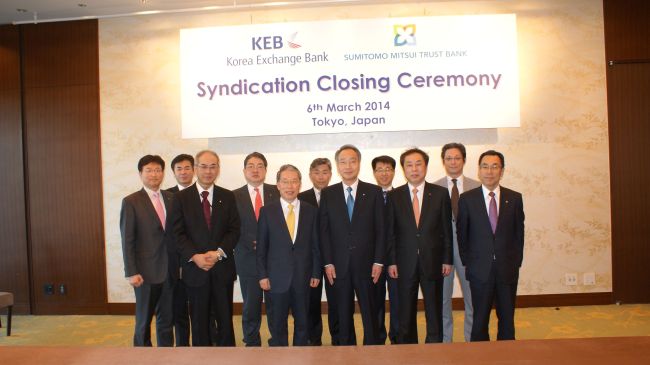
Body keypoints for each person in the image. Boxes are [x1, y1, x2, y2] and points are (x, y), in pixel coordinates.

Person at [172, 150, 240, 346]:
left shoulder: (228, 196)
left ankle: (228, 357)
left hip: (222, 268)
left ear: (218, 169)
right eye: (203, 166)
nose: (208, 171)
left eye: (213, 166)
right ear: (195, 168)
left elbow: (235, 230)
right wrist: (195, 256)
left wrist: (218, 253)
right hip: (196, 270)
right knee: (199, 321)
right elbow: (176, 233)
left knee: (225, 320)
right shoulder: (181, 198)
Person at [320, 144, 385, 346]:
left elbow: (381, 229)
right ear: (337, 166)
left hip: (367, 265)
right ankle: (345, 354)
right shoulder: (328, 193)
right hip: (338, 266)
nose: (348, 166)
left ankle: (372, 353)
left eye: (352, 161)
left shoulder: (373, 191)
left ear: (359, 163)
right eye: (343, 162)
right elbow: (324, 232)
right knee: (343, 314)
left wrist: (379, 261)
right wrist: (328, 262)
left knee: (370, 313)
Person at [457, 150, 525, 341]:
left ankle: (506, 354)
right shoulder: (467, 199)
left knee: (506, 318)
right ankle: (479, 357)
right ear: (479, 170)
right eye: (485, 166)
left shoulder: (514, 198)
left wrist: (515, 261)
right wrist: (468, 263)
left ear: (501, 171)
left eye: (495, 166)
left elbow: (519, 233)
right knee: (479, 319)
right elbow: (462, 234)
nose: (489, 171)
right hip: (479, 269)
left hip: (507, 268)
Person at [386, 148, 453, 344]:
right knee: (405, 310)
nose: (414, 169)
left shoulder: (440, 194)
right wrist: (391, 262)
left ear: (426, 166)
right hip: (404, 262)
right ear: (403, 168)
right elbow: (390, 233)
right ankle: (409, 348)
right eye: (409, 165)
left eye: (418, 164)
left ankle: (435, 346)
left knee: (434, 309)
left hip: (433, 260)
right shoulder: (394, 196)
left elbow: (446, 229)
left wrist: (447, 259)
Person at [257, 165, 321, 346]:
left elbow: (316, 245)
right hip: (276, 278)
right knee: (278, 324)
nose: (290, 186)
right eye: (285, 181)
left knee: (303, 323)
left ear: (300, 184)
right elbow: (262, 247)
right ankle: (280, 356)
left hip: (304, 276)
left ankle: (300, 355)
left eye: (294, 181)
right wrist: (262, 275)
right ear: (277, 184)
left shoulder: (310, 211)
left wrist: (316, 272)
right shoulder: (267, 211)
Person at [298, 158, 354, 346]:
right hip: (310, 259)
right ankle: (314, 340)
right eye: (316, 172)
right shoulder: (301, 198)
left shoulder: (340, 195)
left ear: (331, 174)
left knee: (337, 301)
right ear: (310, 175)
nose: (321, 176)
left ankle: (338, 338)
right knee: (312, 302)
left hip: (335, 259)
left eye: (324, 172)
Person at [120, 154, 174, 347]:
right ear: (140, 173)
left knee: (167, 320)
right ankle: (141, 356)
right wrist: (131, 272)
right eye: (149, 170)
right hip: (144, 272)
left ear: (163, 173)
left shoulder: (171, 198)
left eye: (158, 170)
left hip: (169, 270)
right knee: (144, 321)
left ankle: (166, 355)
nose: (154, 174)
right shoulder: (131, 201)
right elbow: (128, 240)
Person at [433, 143, 480, 343]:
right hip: (442, 253)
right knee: (442, 300)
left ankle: (472, 340)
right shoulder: (433, 188)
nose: (453, 162)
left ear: (464, 160)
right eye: (449, 158)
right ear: (443, 161)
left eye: (457, 158)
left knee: (473, 298)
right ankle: (445, 341)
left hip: (469, 252)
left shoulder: (477, 186)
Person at [233, 152, 280, 346]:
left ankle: (277, 339)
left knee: (275, 304)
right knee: (251, 305)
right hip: (247, 258)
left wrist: (268, 243)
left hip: (274, 259)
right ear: (244, 170)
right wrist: (252, 241)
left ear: (266, 170)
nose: (255, 170)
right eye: (250, 166)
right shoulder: (233, 196)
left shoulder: (277, 191)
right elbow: (231, 227)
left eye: (260, 166)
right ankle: (251, 340)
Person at [166, 154, 194, 346]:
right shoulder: (167, 195)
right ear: (173, 172)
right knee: (179, 309)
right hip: (176, 264)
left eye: (187, 168)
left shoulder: (203, 193)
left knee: (205, 309)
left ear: (194, 170)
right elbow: (171, 233)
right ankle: (183, 346)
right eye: (179, 169)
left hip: (200, 262)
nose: (183, 172)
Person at [371, 155, 399, 345]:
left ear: (394, 172)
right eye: (379, 169)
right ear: (374, 173)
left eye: (388, 168)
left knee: (398, 300)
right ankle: (379, 337)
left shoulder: (402, 195)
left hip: (398, 257)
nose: (384, 173)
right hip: (374, 259)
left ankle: (397, 337)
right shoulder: (368, 195)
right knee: (376, 300)